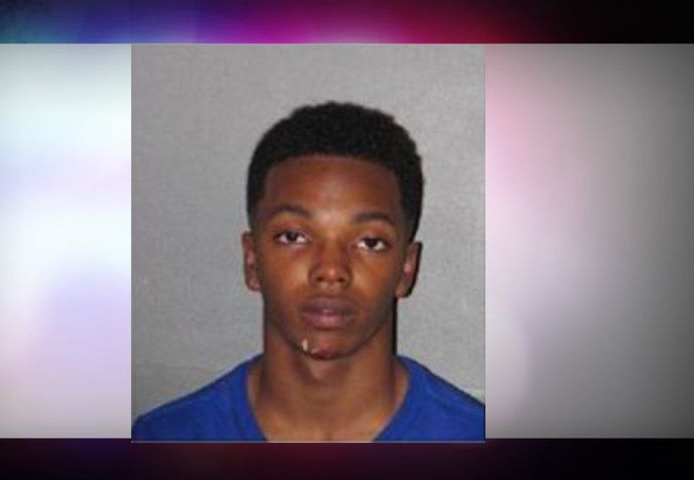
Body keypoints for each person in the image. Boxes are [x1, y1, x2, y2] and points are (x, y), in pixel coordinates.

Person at [133, 102, 484, 441]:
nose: (331, 270)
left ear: (406, 269)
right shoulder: (164, 438)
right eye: (293, 236)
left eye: (370, 242)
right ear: (252, 260)